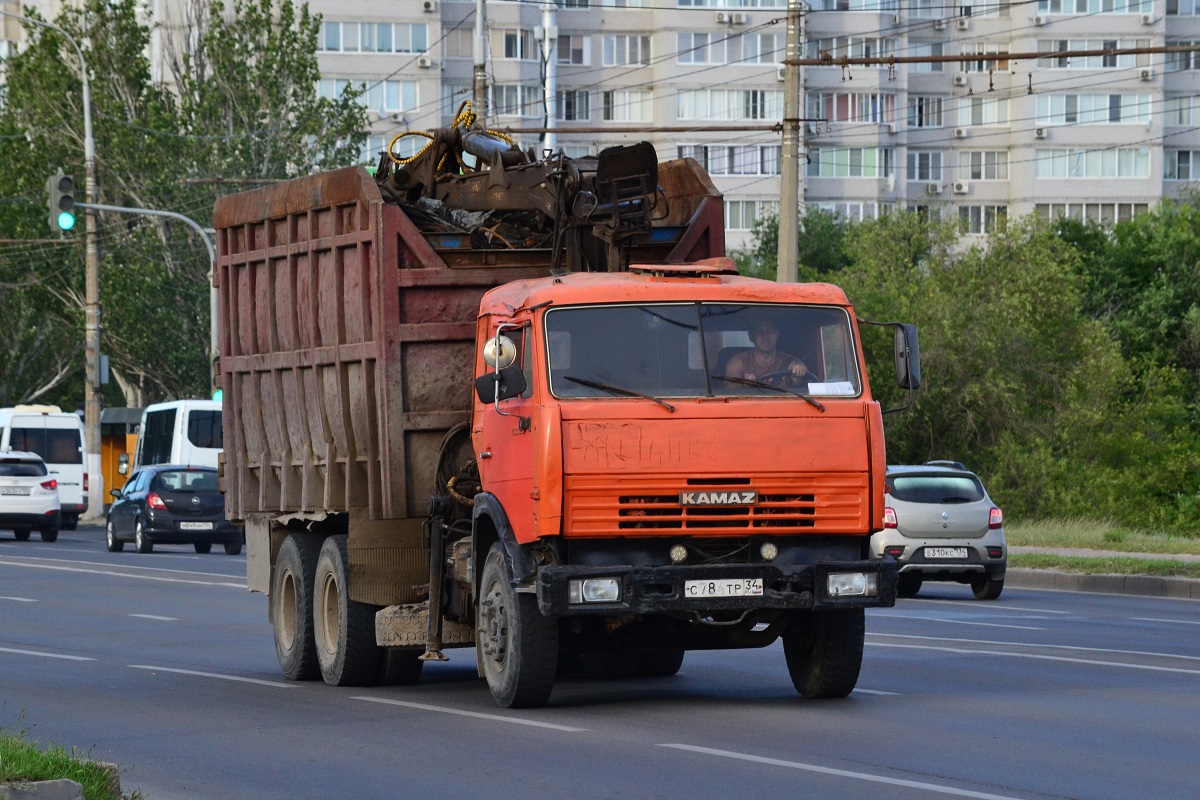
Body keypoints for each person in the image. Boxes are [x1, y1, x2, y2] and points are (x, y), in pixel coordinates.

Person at [723, 318, 809, 387]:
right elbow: (729, 387)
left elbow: (803, 374)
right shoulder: (738, 362)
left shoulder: (790, 361)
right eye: (759, 332)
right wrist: (744, 385)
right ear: (751, 336)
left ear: (776, 334)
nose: (765, 336)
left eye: (769, 331)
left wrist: (799, 376)